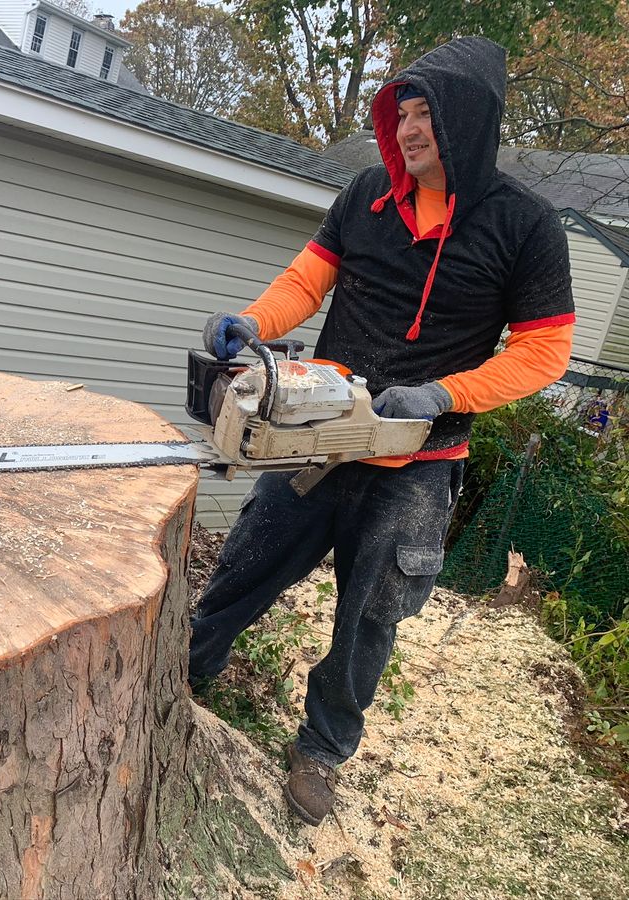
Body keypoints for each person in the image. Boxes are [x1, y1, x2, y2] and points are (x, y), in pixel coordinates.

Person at [190, 36, 575, 827]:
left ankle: (322, 748)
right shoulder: (368, 193)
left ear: (469, 121)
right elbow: (308, 279)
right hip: (323, 434)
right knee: (250, 558)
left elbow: (545, 351)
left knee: (371, 616)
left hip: (418, 462)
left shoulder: (525, 226)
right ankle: (188, 668)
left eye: (427, 112)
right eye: (402, 113)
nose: (409, 128)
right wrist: (253, 323)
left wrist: (443, 394)